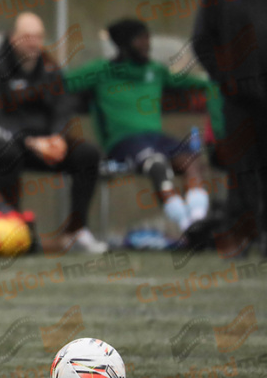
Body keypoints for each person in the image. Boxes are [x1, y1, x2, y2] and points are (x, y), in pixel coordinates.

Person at [64, 18, 213, 233]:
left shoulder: (155, 70)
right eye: (140, 39)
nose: (147, 44)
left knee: (192, 160)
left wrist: (226, 79)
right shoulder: (101, 70)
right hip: (122, 143)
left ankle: (198, 218)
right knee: (156, 163)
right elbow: (62, 83)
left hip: (156, 137)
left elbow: (195, 83)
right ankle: (186, 224)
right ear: (124, 44)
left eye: (148, 38)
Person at [0, 12, 107, 253]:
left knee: (88, 154)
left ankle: (75, 231)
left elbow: (63, 107)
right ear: (12, 37)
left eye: (37, 37)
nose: (33, 42)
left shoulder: (50, 68)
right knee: (6, 154)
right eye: (26, 36)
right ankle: (14, 227)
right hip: (12, 144)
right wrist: (30, 141)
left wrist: (57, 137)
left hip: (48, 144)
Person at [192, 0, 267, 255]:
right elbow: (201, 41)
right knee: (241, 168)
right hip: (237, 98)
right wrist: (225, 77)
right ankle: (243, 234)